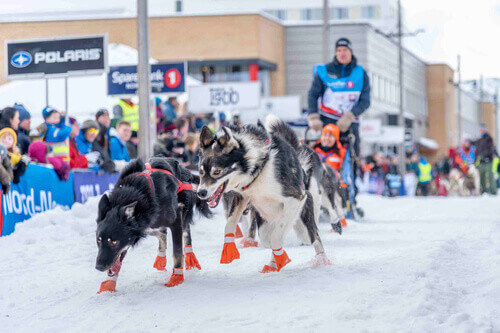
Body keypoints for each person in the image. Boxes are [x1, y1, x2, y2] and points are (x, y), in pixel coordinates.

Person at [307, 38, 370, 210]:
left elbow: (365, 100)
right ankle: (320, 194)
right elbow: (313, 95)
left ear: (351, 53)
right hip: (328, 122)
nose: (342, 53)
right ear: (336, 53)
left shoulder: (360, 73)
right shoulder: (324, 71)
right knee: (323, 157)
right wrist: (313, 117)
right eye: (339, 50)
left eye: (345, 50)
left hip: (350, 124)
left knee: (352, 160)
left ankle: (350, 197)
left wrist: (350, 116)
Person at [475, 125, 497, 195]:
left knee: (490, 176)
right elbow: (477, 151)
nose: (481, 131)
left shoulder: (489, 139)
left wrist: (485, 155)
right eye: (480, 130)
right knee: (482, 176)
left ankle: (493, 191)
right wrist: (475, 161)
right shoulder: (479, 140)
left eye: (482, 129)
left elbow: (491, 149)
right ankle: (483, 191)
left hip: (488, 161)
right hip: (481, 162)